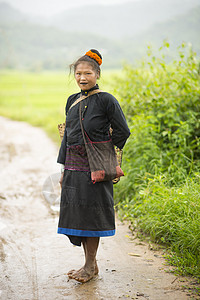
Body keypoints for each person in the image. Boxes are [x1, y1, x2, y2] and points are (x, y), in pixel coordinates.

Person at [57, 49, 130, 283]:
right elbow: (67, 137)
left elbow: (123, 131)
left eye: (87, 73)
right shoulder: (71, 100)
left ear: (97, 74)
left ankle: (89, 267)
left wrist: (106, 152)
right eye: (78, 73)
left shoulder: (106, 100)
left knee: (91, 216)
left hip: (96, 169)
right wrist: (62, 169)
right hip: (73, 167)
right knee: (77, 215)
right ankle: (91, 265)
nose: (82, 77)